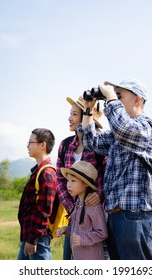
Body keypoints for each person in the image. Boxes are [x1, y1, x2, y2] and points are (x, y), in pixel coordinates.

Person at [80, 78, 152, 260]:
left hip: (135, 216)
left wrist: (109, 96)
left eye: (119, 96)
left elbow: (124, 128)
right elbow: (90, 141)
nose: (113, 100)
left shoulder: (147, 126)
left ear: (137, 100)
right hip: (115, 215)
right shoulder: (119, 133)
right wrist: (88, 110)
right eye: (114, 97)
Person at [56, 95, 107, 260]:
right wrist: (74, 208)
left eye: (74, 114)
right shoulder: (65, 145)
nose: (69, 118)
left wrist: (98, 195)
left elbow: (109, 176)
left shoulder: (100, 145)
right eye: (70, 113)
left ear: (87, 117)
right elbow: (60, 179)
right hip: (74, 214)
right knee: (73, 255)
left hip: (96, 212)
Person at [17, 128, 57, 260]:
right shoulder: (39, 171)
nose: (27, 146)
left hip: (37, 238)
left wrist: (33, 238)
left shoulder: (47, 174)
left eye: (30, 142)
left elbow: (45, 210)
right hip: (30, 234)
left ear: (42, 145)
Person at [56, 161, 108, 260]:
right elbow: (79, 229)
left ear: (85, 183)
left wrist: (82, 239)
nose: (68, 185)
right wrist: (65, 230)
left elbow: (102, 233)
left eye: (73, 181)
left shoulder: (93, 206)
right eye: (68, 180)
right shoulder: (77, 204)